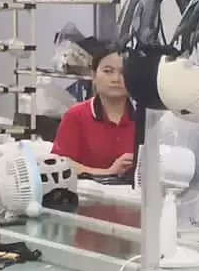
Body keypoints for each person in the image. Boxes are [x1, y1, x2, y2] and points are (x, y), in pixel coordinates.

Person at [50, 43, 137, 177]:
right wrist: (108, 172)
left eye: (123, 72)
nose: (116, 79)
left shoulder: (145, 119)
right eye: (108, 71)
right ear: (94, 76)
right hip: (88, 188)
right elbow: (60, 163)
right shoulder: (76, 115)